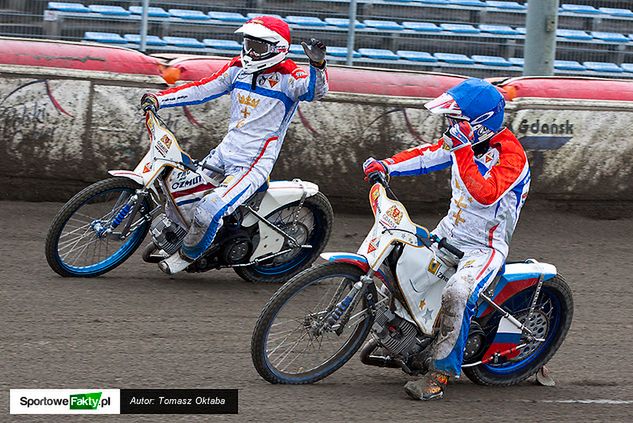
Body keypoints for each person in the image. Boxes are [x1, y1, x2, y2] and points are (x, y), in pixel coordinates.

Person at [363, 78, 531, 400]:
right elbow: (428, 155)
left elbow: (484, 193)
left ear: (480, 125)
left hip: (483, 249)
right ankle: (405, 335)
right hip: (448, 232)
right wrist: (387, 166)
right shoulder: (461, 142)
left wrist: (463, 149)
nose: (450, 126)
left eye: (457, 120)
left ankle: (439, 374)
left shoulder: (512, 157)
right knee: (395, 258)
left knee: (457, 293)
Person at [141, 16, 328, 274]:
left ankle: (187, 255)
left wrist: (317, 65)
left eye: (258, 47)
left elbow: (314, 91)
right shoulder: (238, 68)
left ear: (277, 49)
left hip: (252, 164)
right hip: (223, 152)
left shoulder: (288, 75)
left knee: (209, 209)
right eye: (248, 43)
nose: (251, 51)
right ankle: (183, 236)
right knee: (178, 192)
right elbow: (201, 88)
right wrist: (158, 99)